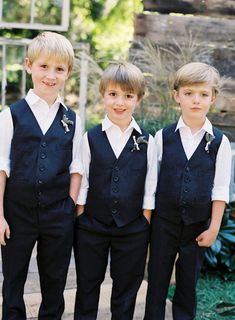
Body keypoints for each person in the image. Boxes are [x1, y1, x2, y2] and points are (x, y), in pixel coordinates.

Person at [0, 31, 83, 319]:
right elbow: (2, 167)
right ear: (29, 66)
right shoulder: (10, 115)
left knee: (54, 280)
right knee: (13, 280)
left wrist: (69, 207)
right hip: (16, 213)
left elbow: (76, 167)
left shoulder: (72, 119)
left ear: (67, 73)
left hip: (57, 213)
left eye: (59, 69)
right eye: (44, 66)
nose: (51, 75)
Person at [144, 62, 232, 320]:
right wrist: (148, 221)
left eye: (203, 95)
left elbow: (220, 188)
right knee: (157, 282)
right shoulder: (163, 137)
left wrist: (214, 227)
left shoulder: (219, 142)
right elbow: (152, 183)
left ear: (213, 98)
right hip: (164, 224)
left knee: (187, 285)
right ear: (177, 95)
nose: (196, 100)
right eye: (189, 93)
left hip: (197, 227)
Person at [73, 61, 157, 319]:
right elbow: (83, 178)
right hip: (92, 225)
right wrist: (81, 216)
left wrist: (144, 220)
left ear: (138, 99)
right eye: (113, 94)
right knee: (88, 285)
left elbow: (150, 184)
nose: (120, 102)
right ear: (103, 95)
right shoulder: (90, 137)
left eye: (128, 96)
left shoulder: (148, 141)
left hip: (132, 227)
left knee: (126, 288)